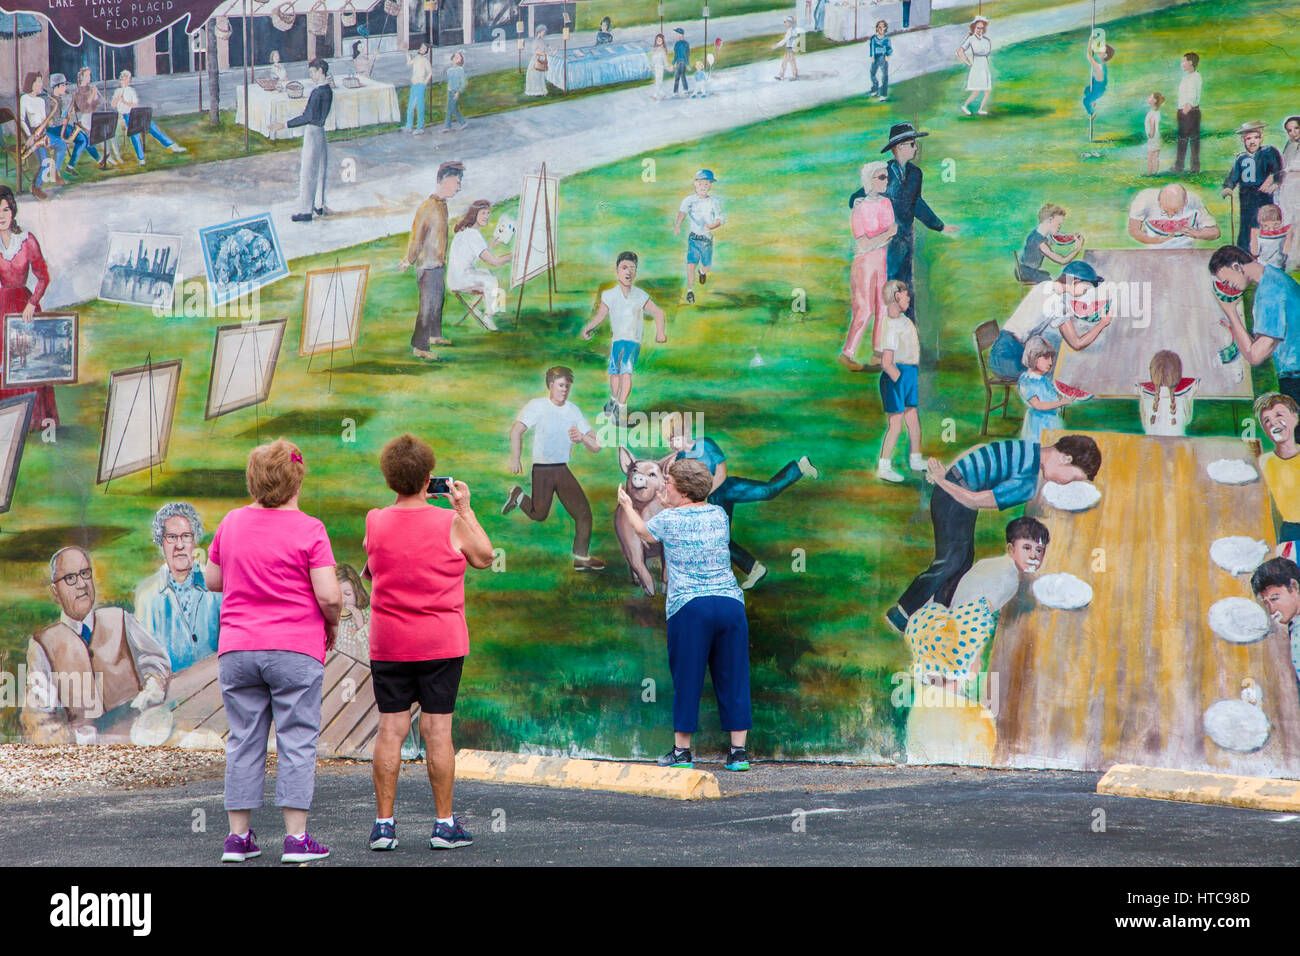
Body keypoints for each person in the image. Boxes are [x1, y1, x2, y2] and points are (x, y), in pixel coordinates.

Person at [206, 439, 340, 864]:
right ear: (298, 479)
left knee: (244, 740)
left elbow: (213, 579)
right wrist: (331, 624)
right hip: (294, 649)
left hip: (238, 649)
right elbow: (330, 595)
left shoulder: (231, 522)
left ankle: (238, 839)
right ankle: (297, 840)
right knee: (297, 739)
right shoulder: (310, 529)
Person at [365, 433, 493, 852]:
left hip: (389, 643)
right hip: (441, 642)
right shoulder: (451, 523)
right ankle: (444, 825)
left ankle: (384, 826)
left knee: (391, 728)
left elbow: (374, 564)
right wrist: (465, 509)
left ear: (389, 479)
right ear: (430, 479)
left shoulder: (375, 520)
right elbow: (485, 557)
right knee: (438, 730)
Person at [886, 434, 1102, 633]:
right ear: (1065, 458)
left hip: (955, 492)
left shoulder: (1029, 448)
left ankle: (942, 609)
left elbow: (981, 449)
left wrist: (947, 474)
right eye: (1072, 478)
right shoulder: (1027, 483)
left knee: (962, 559)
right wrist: (942, 481)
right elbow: (975, 500)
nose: (1066, 483)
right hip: (954, 499)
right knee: (950, 561)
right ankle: (902, 613)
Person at [616, 458, 753, 772]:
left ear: (678, 489)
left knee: (687, 677)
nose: (663, 486)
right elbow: (685, 514)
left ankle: (682, 753)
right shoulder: (718, 514)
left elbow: (644, 533)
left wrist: (626, 504)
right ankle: (738, 753)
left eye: (668, 483)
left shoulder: (668, 520)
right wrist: (669, 501)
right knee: (734, 676)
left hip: (690, 607)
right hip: (730, 605)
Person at [21, 546, 171, 746]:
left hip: (141, 740)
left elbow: (156, 660)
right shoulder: (43, 644)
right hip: (87, 758)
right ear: (55, 592)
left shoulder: (120, 619)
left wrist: (154, 685)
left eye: (85, 574)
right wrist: (74, 739)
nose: (81, 584)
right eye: (70, 578)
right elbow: (36, 720)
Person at [661, 412, 818, 590]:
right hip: (713, 500)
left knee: (767, 491)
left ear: (684, 432)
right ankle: (754, 569)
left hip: (726, 488)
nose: (670, 444)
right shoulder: (680, 460)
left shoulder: (705, 444)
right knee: (719, 539)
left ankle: (800, 467)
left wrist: (706, 493)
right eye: (668, 440)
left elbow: (722, 471)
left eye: (672, 438)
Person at [905, 517, 1049, 691]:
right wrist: (976, 657)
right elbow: (978, 614)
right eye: (1027, 548)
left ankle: (939, 683)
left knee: (945, 668)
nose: (1034, 556)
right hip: (957, 622)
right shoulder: (1009, 579)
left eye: (1039, 550)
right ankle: (945, 690)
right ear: (1011, 549)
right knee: (960, 674)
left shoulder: (992, 564)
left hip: (940, 614)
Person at [848, 123, 958, 321]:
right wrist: (855, 200)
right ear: (899, 147)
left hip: (906, 239)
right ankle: (887, 337)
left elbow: (917, 203)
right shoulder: (884, 172)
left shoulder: (916, 174)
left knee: (906, 287)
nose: (916, 148)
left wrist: (940, 226)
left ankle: (908, 329)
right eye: (912, 144)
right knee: (889, 288)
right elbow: (863, 192)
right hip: (885, 243)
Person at [503, 366, 606, 572]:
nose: (564, 390)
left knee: (583, 513)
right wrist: (515, 458)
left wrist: (582, 437)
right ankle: (518, 496)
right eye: (560, 385)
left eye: (567, 386)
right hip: (542, 469)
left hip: (562, 469)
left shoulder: (573, 410)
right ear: (550, 385)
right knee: (539, 514)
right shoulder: (537, 406)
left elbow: (596, 445)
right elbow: (516, 430)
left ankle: (581, 557)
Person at [133, 502, 222, 673]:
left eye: (186, 536)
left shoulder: (214, 585)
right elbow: (145, 657)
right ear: (161, 542)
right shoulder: (147, 594)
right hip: (170, 693)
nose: (179, 545)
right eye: (172, 537)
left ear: (194, 540)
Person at [579, 250, 667, 423]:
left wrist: (661, 332)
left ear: (636, 272)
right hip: (617, 342)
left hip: (632, 342)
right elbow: (600, 315)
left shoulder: (640, 295)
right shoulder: (609, 295)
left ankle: (620, 410)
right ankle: (612, 401)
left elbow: (658, 312)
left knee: (626, 374)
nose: (628, 272)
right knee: (615, 374)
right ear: (617, 271)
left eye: (632, 268)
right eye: (624, 267)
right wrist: (587, 328)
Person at [988, 260, 1114, 380]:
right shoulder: (1057, 303)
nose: (1084, 294)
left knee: (1054, 357)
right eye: (1085, 290)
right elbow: (1076, 343)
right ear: (1075, 282)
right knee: (1058, 372)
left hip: (1000, 350)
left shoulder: (1045, 286)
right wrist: (1102, 323)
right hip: (1009, 360)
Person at [1210, 244, 1300, 405]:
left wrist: (1230, 312)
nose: (1229, 287)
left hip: (1295, 378)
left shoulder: (1269, 293)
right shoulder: (1274, 276)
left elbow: (1255, 356)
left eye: (1227, 281)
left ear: (1237, 267)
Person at [0, 186, 58, 430]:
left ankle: (32, 418)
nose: (1, 215)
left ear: (12, 211)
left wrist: (32, 304)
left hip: (24, 305)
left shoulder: (26, 239)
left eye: (5, 209)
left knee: (28, 360)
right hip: (1, 306)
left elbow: (43, 277)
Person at [401, 160, 464, 358]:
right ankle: (420, 347)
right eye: (456, 182)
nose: (459, 187)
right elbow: (417, 236)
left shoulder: (442, 206)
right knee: (427, 306)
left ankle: (435, 335)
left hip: (438, 263)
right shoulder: (427, 207)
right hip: (427, 265)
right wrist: (408, 260)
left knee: (438, 300)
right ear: (444, 181)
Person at [843, 161, 896, 370]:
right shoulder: (859, 207)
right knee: (864, 309)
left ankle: (877, 352)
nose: (886, 181)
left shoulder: (886, 204)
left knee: (882, 306)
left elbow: (891, 234)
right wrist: (884, 236)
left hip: (881, 260)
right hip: (864, 263)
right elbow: (863, 242)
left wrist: (879, 239)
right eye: (881, 177)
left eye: (886, 177)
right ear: (869, 181)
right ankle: (848, 353)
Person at [269, 58, 332, 224]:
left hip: (313, 131)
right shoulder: (327, 90)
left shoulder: (318, 92)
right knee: (320, 169)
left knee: (309, 171)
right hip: (321, 130)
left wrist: (284, 124)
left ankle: (305, 210)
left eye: (312, 72)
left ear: (321, 72)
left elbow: (308, 116)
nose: (311, 75)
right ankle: (319, 204)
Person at [877, 281, 923, 481]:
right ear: (896, 296)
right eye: (905, 295)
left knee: (912, 417)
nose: (909, 298)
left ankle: (915, 458)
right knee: (895, 424)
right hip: (898, 376)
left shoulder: (903, 320)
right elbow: (887, 362)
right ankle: (884, 466)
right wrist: (899, 381)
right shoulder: (892, 326)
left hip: (909, 373)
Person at [447, 198, 510, 332]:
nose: (486, 217)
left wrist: (493, 243)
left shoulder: (466, 231)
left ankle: (475, 307)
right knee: (492, 280)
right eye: (483, 213)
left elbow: (479, 251)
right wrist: (515, 255)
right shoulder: (473, 235)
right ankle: (489, 316)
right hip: (461, 279)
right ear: (474, 214)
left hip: (455, 277)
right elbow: (494, 261)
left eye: (488, 213)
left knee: (487, 274)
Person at [1222, 120, 1284, 250]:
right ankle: (1244, 250)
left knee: (1262, 220)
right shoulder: (1241, 158)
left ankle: (1264, 249)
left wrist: (1275, 183)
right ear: (1243, 140)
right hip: (1246, 194)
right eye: (1248, 138)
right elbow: (1234, 175)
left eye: (1256, 137)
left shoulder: (1268, 152)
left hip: (1263, 194)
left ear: (1261, 138)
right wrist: (1228, 187)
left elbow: (1277, 170)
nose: (1252, 141)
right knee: (1246, 222)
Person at [111, 70, 187, 167]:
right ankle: (141, 158)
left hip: (135, 113)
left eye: (126, 78)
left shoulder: (131, 91)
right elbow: (113, 105)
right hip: (126, 116)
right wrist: (117, 99)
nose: (124, 80)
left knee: (152, 127)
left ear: (129, 80)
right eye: (123, 78)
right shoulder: (117, 91)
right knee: (135, 134)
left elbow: (134, 104)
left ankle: (172, 146)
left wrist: (124, 101)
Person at [1255, 393, 1300, 548]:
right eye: (1266, 421)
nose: (1273, 423)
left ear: (1295, 418)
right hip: (1287, 532)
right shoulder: (1263, 462)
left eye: (1279, 415)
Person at [674, 169, 724, 305]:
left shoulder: (714, 202)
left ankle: (702, 272)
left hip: (706, 240)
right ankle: (690, 291)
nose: (703, 187)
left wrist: (711, 226)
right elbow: (682, 212)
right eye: (701, 183)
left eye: (707, 184)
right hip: (694, 239)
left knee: (707, 266)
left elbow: (720, 219)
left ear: (710, 186)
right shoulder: (689, 200)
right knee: (690, 265)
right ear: (695, 184)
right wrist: (678, 225)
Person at [1250, 557, 1300, 687]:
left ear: (1294, 587)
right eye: (1265, 604)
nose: (1271, 610)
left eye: (1274, 599)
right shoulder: (1290, 625)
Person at [1126, 182, 1220, 248]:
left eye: (1176, 212)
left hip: (1186, 254)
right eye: (1165, 211)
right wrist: (1153, 240)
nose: (1170, 216)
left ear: (1185, 202)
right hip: (1154, 252)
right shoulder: (1144, 199)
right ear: (1159, 201)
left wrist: (1198, 234)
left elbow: (1215, 232)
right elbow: (1133, 230)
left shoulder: (1193, 200)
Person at [1017, 336, 1073, 444]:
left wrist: (1063, 396)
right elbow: (1038, 405)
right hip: (1038, 424)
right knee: (1040, 449)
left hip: (1052, 421)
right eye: (1046, 358)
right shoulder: (1027, 381)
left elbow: (1051, 395)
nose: (1051, 362)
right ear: (1033, 356)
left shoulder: (1043, 379)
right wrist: (1061, 402)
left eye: (1051, 358)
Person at [18, 72, 61, 200]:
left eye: (41, 82)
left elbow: (44, 119)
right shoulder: (24, 99)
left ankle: (55, 172)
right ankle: (36, 187)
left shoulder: (41, 100)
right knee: (44, 162)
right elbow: (21, 119)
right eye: (38, 82)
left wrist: (50, 120)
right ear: (31, 83)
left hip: (43, 132)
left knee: (62, 144)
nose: (41, 85)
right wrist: (30, 136)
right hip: (34, 133)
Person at [1137, 349, 1197, 437]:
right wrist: (1191, 395)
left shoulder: (1147, 401)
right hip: (1178, 448)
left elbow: (1145, 425)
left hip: (1153, 448)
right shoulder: (1182, 401)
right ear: (1177, 374)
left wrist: (1142, 397)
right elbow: (1188, 420)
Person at [1018, 203, 1083, 283]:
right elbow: (1062, 261)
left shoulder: (1035, 234)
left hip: (1023, 269)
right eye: (1059, 224)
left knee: (1050, 276)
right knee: (1054, 282)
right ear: (1050, 220)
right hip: (1028, 272)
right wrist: (1078, 249)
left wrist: (1071, 237)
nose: (1060, 227)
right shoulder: (1040, 243)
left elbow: (1051, 241)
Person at [66, 68, 115, 171]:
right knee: (90, 141)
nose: (89, 78)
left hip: (93, 116)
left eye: (90, 75)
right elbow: (84, 108)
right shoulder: (78, 93)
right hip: (85, 119)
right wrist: (93, 95)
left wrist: (97, 98)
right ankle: (103, 159)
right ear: (82, 78)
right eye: (87, 75)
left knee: (95, 139)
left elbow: (94, 105)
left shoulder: (90, 89)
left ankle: (104, 159)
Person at [1172, 52, 1202, 175]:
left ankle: (1192, 167)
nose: (1182, 63)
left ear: (1190, 62)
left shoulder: (1195, 77)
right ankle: (1180, 166)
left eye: (1184, 61)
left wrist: (1184, 111)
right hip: (1185, 111)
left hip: (1190, 111)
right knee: (1183, 139)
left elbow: (1192, 96)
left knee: (1191, 139)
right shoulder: (1187, 77)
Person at [956, 17, 993, 116]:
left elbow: (987, 52)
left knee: (987, 90)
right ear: (974, 28)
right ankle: (965, 106)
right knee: (976, 90)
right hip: (977, 65)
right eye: (978, 28)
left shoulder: (986, 40)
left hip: (984, 65)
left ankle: (981, 109)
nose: (980, 30)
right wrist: (967, 62)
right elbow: (960, 51)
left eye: (981, 28)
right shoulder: (971, 39)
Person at [334, 564, 370, 663]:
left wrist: (361, 626)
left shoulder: (367, 618)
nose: (343, 600)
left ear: (357, 591)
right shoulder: (328, 617)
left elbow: (369, 657)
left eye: (348, 594)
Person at [1251, 204, 1293, 271]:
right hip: (1263, 267)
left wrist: (1289, 236)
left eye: (1276, 225)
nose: (1271, 230)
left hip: (1279, 267)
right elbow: (1255, 252)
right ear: (1260, 224)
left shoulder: (1285, 234)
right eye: (1265, 226)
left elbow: (1286, 251)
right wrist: (1254, 237)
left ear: (1281, 222)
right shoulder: (1258, 235)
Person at [1081, 35, 1114, 120]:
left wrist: (1090, 40)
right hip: (1096, 85)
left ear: (1105, 55)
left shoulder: (1100, 66)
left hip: (1098, 90)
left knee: (1085, 101)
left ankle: (1092, 112)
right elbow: (1093, 56)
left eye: (1101, 50)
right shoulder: (1101, 63)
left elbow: (1089, 56)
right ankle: (1093, 101)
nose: (1099, 50)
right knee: (1087, 90)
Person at [1279, 116, 1300, 247]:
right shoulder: (1290, 145)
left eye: (1296, 128)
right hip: (1289, 188)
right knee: (1289, 219)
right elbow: (1284, 165)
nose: (1293, 133)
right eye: (1290, 130)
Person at [404, 43, 433, 133]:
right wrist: (406, 52)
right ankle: (409, 126)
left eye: (424, 48)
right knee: (410, 106)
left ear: (426, 51)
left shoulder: (425, 60)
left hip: (420, 84)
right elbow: (409, 63)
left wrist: (424, 82)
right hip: (414, 84)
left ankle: (420, 127)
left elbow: (430, 72)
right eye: (421, 47)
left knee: (419, 106)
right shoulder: (417, 58)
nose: (422, 49)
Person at [868, 20, 891, 101]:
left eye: (882, 27)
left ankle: (883, 94)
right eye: (879, 27)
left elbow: (889, 48)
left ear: (885, 28)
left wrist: (887, 55)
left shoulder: (886, 39)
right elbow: (872, 48)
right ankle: (875, 87)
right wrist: (872, 56)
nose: (880, 28)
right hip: (876, 57)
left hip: (883, 57)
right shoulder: (873, 38)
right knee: (872, 73)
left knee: (884, 75)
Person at [444, 52, 468, 131]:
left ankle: (449, 126)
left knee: (451, 109)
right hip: (450, 91)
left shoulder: (460, 70)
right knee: (451, 108)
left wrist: (458, 92)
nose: (456, 59)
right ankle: (461, 123)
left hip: (455, 91)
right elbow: (449, 81)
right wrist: (448, 88)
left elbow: (463, 82)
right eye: (455, 57)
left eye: (458, 58)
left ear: (460, 60)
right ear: (452, 58)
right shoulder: (449, 70)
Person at [773, 16, 799, 81]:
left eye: (786, 22)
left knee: (788, 62)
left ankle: (790, 75)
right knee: (789, 62)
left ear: (790, 23)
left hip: (790, 48)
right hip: (790, 48)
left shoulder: (790, 31)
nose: (785, 24)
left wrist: (777, 45)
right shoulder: (793, 30)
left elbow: (785, 40)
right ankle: (785, 75)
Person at [1144, 91, 1165, 176]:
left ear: (1154, 101)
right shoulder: (1157, 112)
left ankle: (1149, 173)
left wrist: (1150, 135)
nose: (1148, 98)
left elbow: (1152, 125)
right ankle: (1155, 173)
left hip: (1152, 138)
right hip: (1157, 137)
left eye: (1150, 97)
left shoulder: (1151, 113)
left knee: (1150, 157)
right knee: (1156, 157)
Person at [526, 26, 550, 97]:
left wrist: (547, 49)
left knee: (540, 75)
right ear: (539, 32)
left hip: (541, 58)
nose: (544, 33)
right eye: (543, 32)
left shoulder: (542, 41)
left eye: (544, 32)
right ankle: (534, 91)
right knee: (534, 75)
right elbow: (535, 51)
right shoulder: (536, 41)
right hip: (536, 59)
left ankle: (541, 90)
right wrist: (543, 53)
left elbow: (545, 48)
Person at [649, 34, 669, 100]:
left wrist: (667, 66)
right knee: (658, 81)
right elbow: (653, 58)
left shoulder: (662, 50)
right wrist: (651, 65)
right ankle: (662, 94)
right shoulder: (655, 49)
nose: (659, 41)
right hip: (655, 68)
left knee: (658, 81)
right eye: (658, 40)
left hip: (660, 68)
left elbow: (664, 60)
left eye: (660, 40)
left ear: (663, 41)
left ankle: (655, 95)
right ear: (656, 40)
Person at [671, 28, 690, 96]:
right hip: (681, 62)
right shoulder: (684, 43)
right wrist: (687, 63)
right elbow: (686, 54)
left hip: (681, 62)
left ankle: (679, 91)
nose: (676, 35)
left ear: (680, 35)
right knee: (681, 76)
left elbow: (685, 54)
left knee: (679, 76)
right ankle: (683, 90)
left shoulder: (680, 44)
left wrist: (673, 64)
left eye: (677, 34)